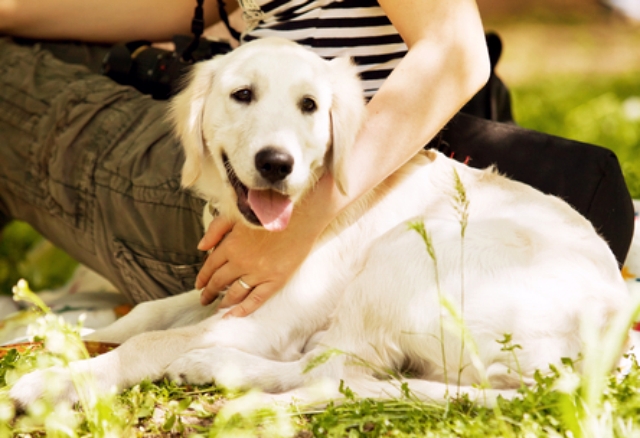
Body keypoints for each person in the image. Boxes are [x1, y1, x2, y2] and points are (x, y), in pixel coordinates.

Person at [0, 1, 633, 319]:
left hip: (271, 233)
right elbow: (174, 9)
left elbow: (456, 49)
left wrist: (299, 228)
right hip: (270, 218)